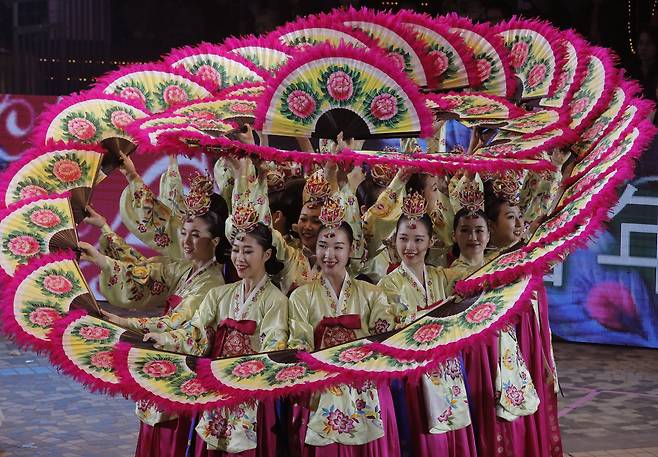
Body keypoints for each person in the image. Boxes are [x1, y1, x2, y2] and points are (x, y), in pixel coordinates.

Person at [79, 172, 229, 457]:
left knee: (170, 440)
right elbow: (145, 271)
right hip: (166, 357)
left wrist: (124, 322)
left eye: (196, 235)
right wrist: (104, 239)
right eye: (184, 232)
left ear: (216, 241)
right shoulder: (186, 268)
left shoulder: (211, 283)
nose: (186, 240)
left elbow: (173, 322)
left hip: (185, 367)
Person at [145, 203, 288, 457]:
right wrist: (164, 339)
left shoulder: (276, 300)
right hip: (217, 386)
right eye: (235, 251)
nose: (239, 259)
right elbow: (195, 334)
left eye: (248, 251)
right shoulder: (218, 295)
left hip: (249, 391)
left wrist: (244, 377)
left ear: (266, 255)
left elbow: (274, 347)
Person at [287, 198, 399, 457]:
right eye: (323, 246)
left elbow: (385, 337)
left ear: (351, 250)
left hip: (365, 387)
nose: (329, 255)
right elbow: (299, 343)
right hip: (320, 389)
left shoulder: (373, 294)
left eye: (338, 247)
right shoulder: (301, 296)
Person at [377, 192, 478, 457]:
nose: (410, 246)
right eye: (403, 239)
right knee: (419, 439)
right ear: (393, 240)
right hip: (411, 373)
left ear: (431, 241)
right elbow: (386, 330)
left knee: (452, 436)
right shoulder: (386, 285)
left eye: (418, 239)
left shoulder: (443, 277)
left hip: (447, 367)